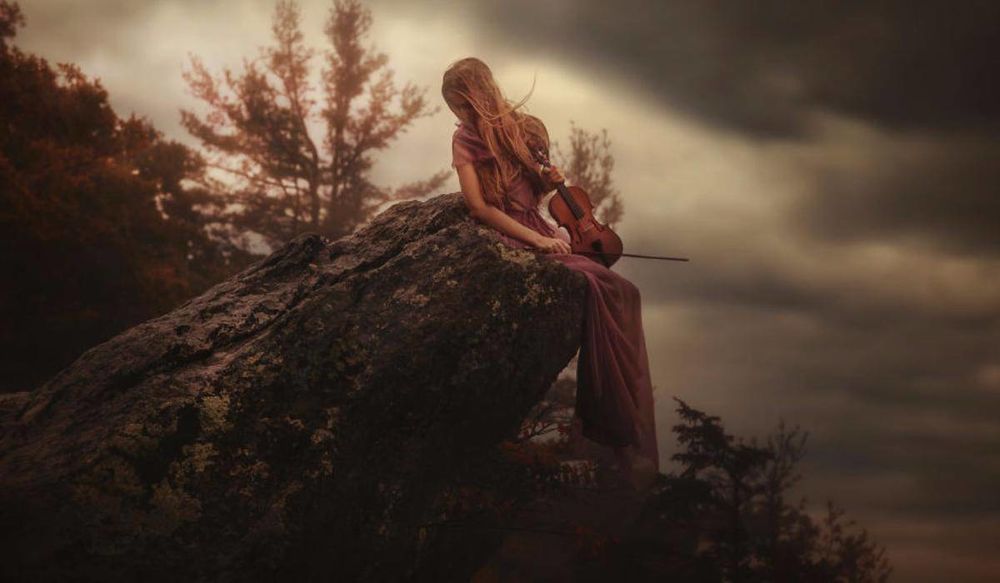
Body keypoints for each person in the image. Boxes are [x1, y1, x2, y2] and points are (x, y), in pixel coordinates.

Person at [442, 57, 659, 491]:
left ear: (478, 95)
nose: (459, 116)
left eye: (462, 106)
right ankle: (610, 432)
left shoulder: (528, 129)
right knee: (596, 283)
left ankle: (622, 423)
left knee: (626, 291)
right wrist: (537, 241)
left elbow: (537, 193)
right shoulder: (464, 138)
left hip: (539, 227)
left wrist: (550, 179)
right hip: (511, 232)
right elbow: (479, 208)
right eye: (455, 110)